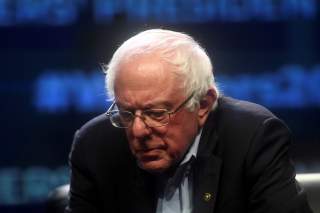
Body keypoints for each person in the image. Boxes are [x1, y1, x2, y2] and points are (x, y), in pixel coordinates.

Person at [66, 29, 312, 213]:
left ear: (203, 104)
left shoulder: (252, 137)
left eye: (156, 113)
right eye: (126, 113)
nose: (139, 130)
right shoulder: (95, 146)